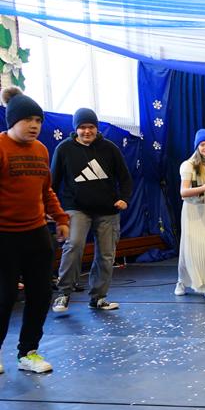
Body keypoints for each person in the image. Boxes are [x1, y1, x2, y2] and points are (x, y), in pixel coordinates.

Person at [0, 88, 69, 373]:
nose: (34, 125)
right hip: (4, 236)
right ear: (12, 121)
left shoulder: (41, 150)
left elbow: (46, 190)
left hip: (37, 232)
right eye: (28, 119)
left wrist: (61, 218)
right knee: (4, 297)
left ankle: (28, 353)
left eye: (38, 120)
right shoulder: (1, 148)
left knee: (41, 295)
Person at [51, 107, 133, 313]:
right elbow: (53, 182)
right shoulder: (64, 149)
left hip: (107, 210)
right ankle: (63, 293)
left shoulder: (110, 148)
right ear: (76, 129)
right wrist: (52, 209)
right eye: (82, 127)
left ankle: (98, 297)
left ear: (96, 128)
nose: (87, 131)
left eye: (91, 127)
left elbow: (125, 178)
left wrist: (124, 199)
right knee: (74, 245)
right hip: (76, 208)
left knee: (106, 254)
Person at [175, 128, 205, 299]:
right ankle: (182, 281)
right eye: (202, 144)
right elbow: (183, 192)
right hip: (193, 211)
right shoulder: (188, 165)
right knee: (190, 251)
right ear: (197, 147)